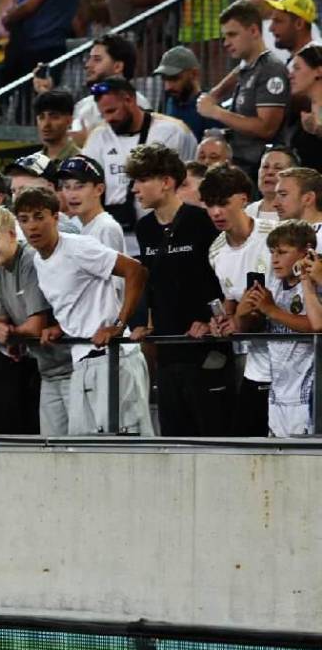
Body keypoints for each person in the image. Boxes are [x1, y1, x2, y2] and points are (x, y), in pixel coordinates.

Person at [14, 185, 153, 435]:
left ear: (55, 217)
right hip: (82, 362)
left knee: (126, 452)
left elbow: (136, 270)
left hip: (113, 359)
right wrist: (61, 328)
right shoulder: (38, 259)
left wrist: (119, 326)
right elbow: (75, 299)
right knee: (88, 452)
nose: (32, 226)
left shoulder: (78, 247)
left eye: (39, 217)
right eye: (24, 220)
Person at [127, 143, 231, 437]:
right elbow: (151, 282)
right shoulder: (145, 228)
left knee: (212, 435)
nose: (135, 189)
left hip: (204, 348)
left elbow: (221, 281)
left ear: (167, 182)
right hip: (167, 349)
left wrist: (210, 319)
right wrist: (145, 324)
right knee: (173, 437)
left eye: (142, 180)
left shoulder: (201, 223)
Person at [0, 204, 73, 436]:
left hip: (74, 368)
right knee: (52, 451)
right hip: (48, 371)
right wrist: (0, 329)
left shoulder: (29, 259)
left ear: (11, 235)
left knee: (83, 448)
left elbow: (35, 327)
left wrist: (9, 334)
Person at [201, 164, 272, 436]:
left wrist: (241, 317)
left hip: (292, 352)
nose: (216, 212)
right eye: (210, 205)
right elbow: (230, 299)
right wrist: (222, 320)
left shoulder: (273, 235)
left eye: (223, 203)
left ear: (243, 199)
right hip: (252, 360)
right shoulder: (216, 251)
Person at [235, 220, 322, 437]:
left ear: (306, 252)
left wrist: (272, 310)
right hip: (278, 391)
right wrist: (244, 313)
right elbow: (247, 328)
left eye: (282, 252)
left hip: (309, 390)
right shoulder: (272, 284)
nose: (274, 259)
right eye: (272, 252)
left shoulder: (315, 284)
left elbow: (316, 326)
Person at [82, 77, 197, 228]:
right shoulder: (99, 135)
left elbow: (189, 180)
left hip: (164, 226)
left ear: (129, 100)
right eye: (103, 114)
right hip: (115, 228)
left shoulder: (172, 131)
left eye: (112, 111)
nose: (108, 119)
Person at [198, 0, 290, 181]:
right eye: (224, 36)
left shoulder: (271, 70)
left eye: (232, 35)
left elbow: (266, 128)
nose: (225, 42)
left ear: (254, 31)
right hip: (241, 165)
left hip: (257, 170)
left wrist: (217, 112)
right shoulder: (248, 67)